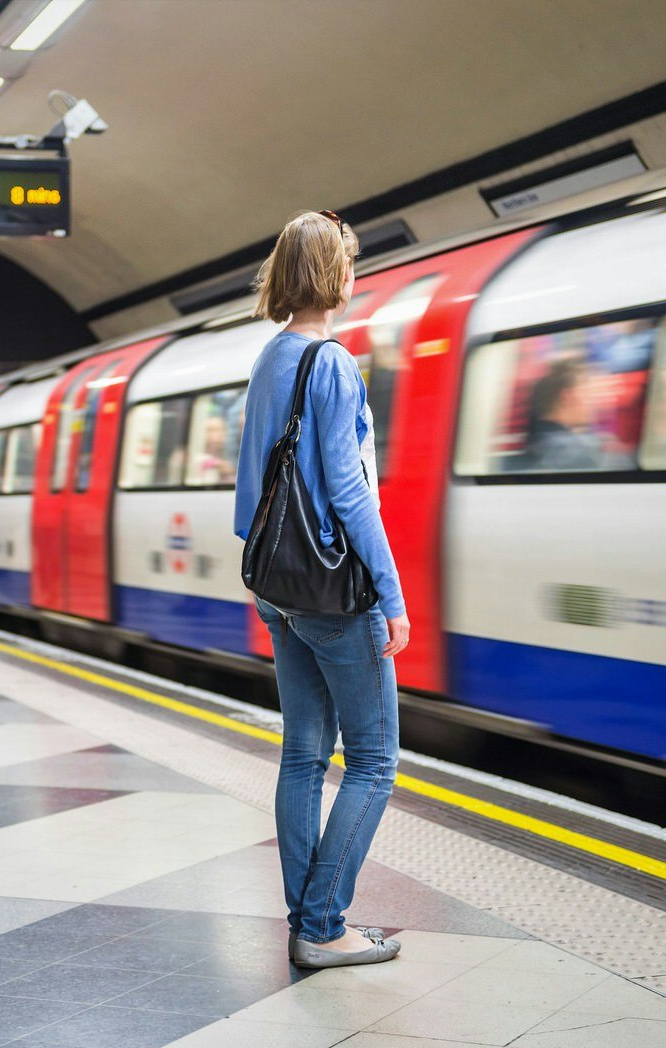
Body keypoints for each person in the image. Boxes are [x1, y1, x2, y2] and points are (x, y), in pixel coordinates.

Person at [233, 210, 406, 970]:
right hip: (336, 595)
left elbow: (250, 494)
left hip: (278, 586)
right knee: (374, 762)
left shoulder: (271, 358)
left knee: (303, 755)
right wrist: (392, 594)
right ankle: (323, 926)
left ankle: (305, 920)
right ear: (338, 276)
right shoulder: (331, 362)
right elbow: (349, 489)